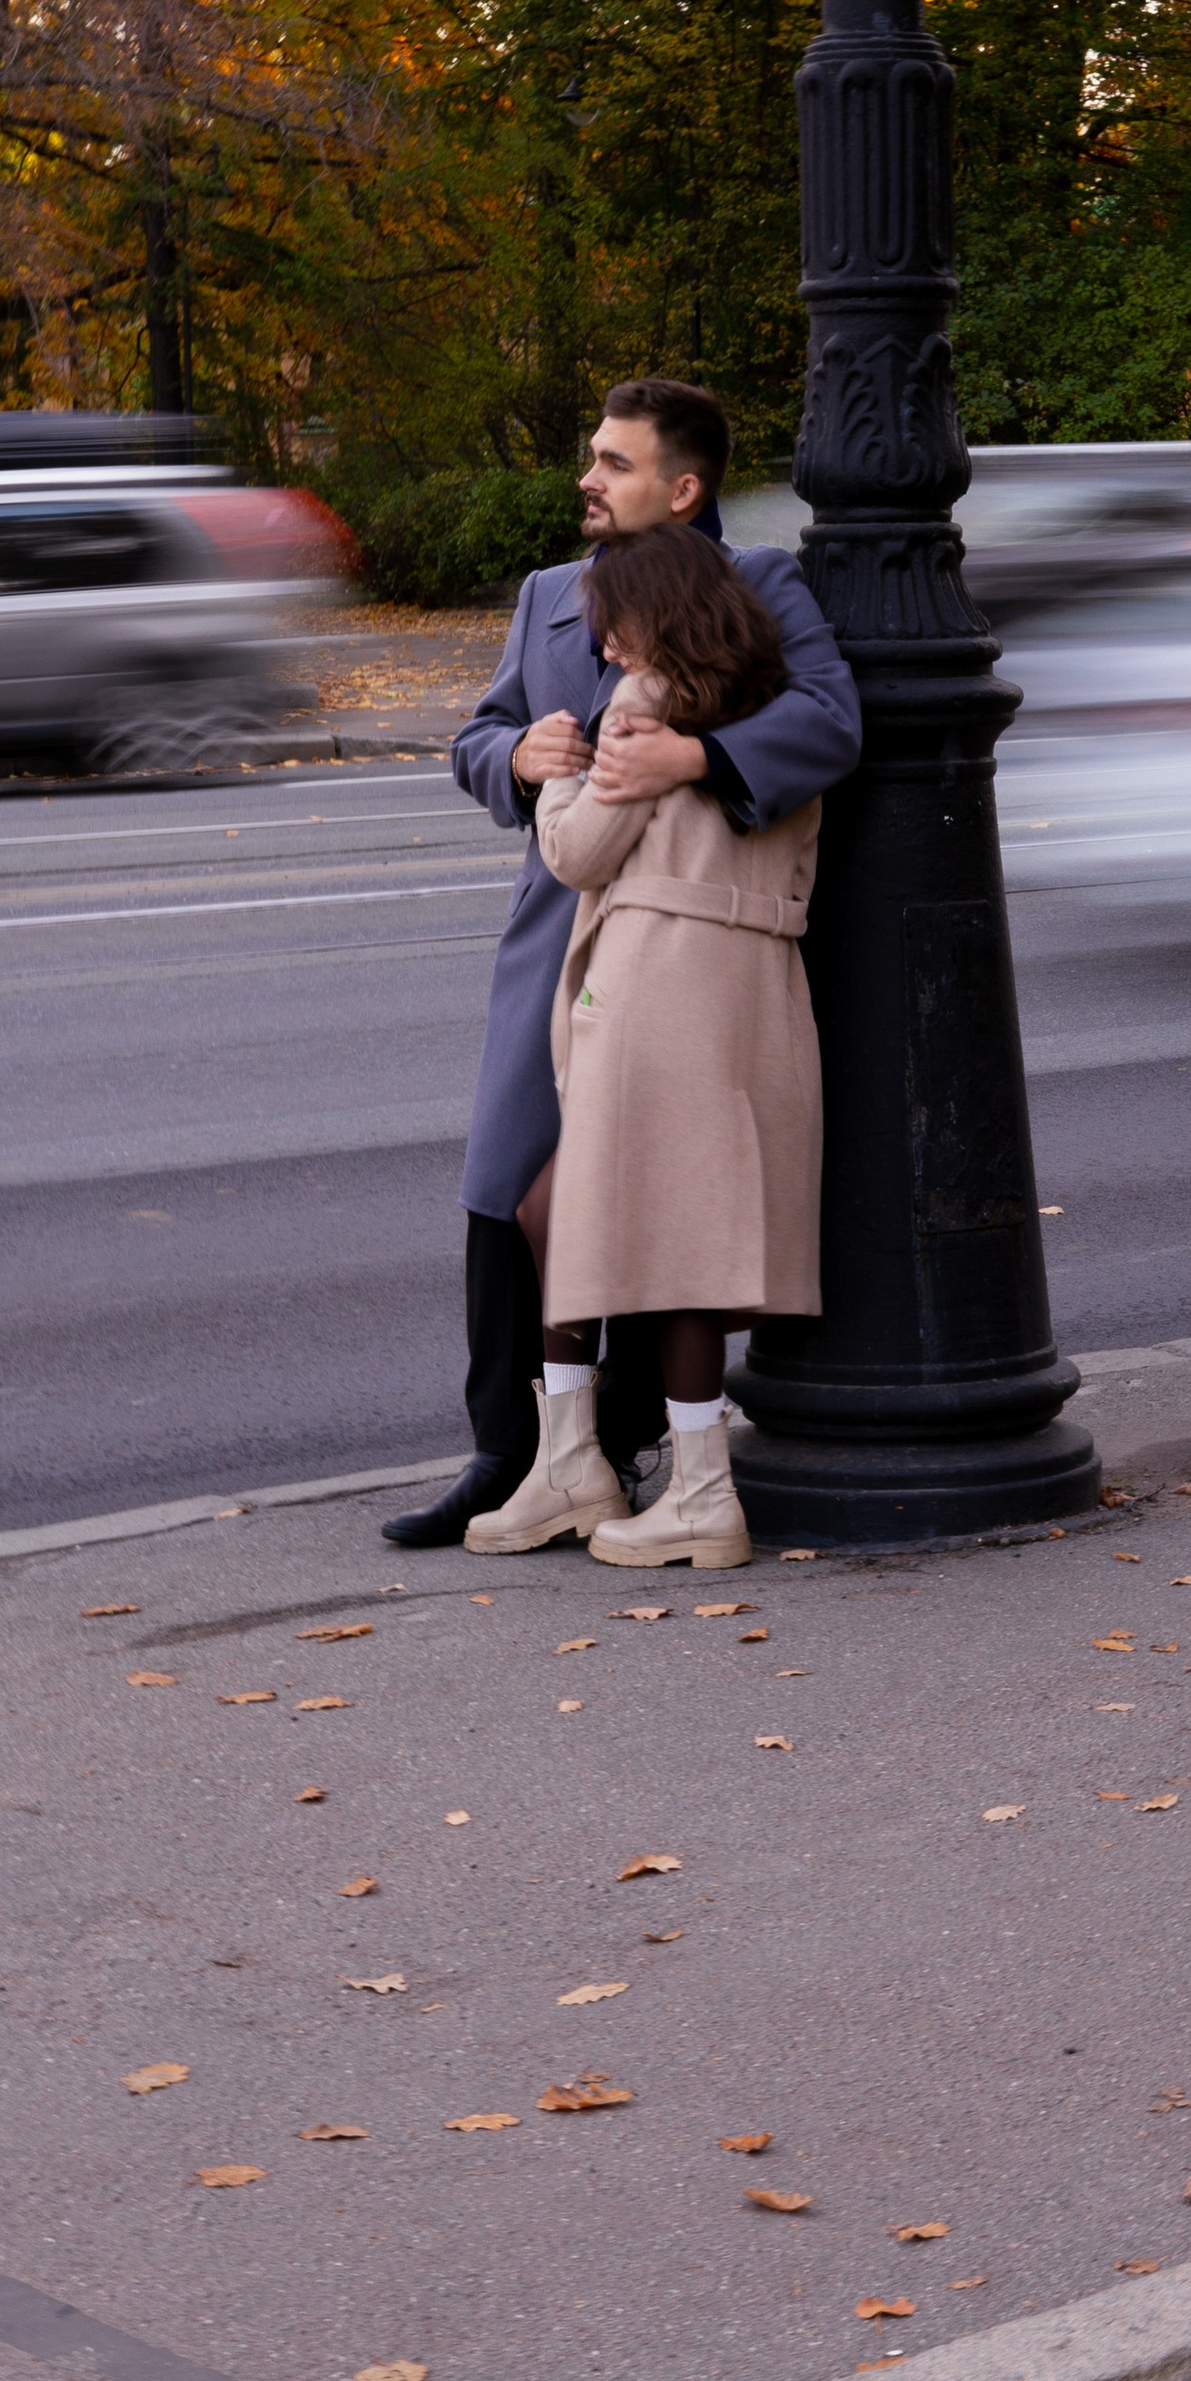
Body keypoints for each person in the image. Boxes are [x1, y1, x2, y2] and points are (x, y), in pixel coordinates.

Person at [381, 379, 859, 1548]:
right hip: (558, 932)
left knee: (658, 1196)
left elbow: (833, 723)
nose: (586, 479)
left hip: (675, 945)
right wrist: (517, 753)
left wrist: (694, 755)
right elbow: (476, 737)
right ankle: (516, 1453)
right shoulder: (551, 596)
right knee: (513, 1189)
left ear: (680, 488)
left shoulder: (759, 586)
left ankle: (637, 1446)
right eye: (591, 458)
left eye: (612, 462)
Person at [470, 524, 822, 1565]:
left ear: (652, 612)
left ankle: (688, 1488)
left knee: (664, 1241)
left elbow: (579, 852)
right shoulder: (761, 697)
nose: (605, 643)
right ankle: (577, 1459)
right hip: (753, 971)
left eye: (612, 619)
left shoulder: (642, 701)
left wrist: (562, 778)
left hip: (655, 972)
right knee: (587, 1210)